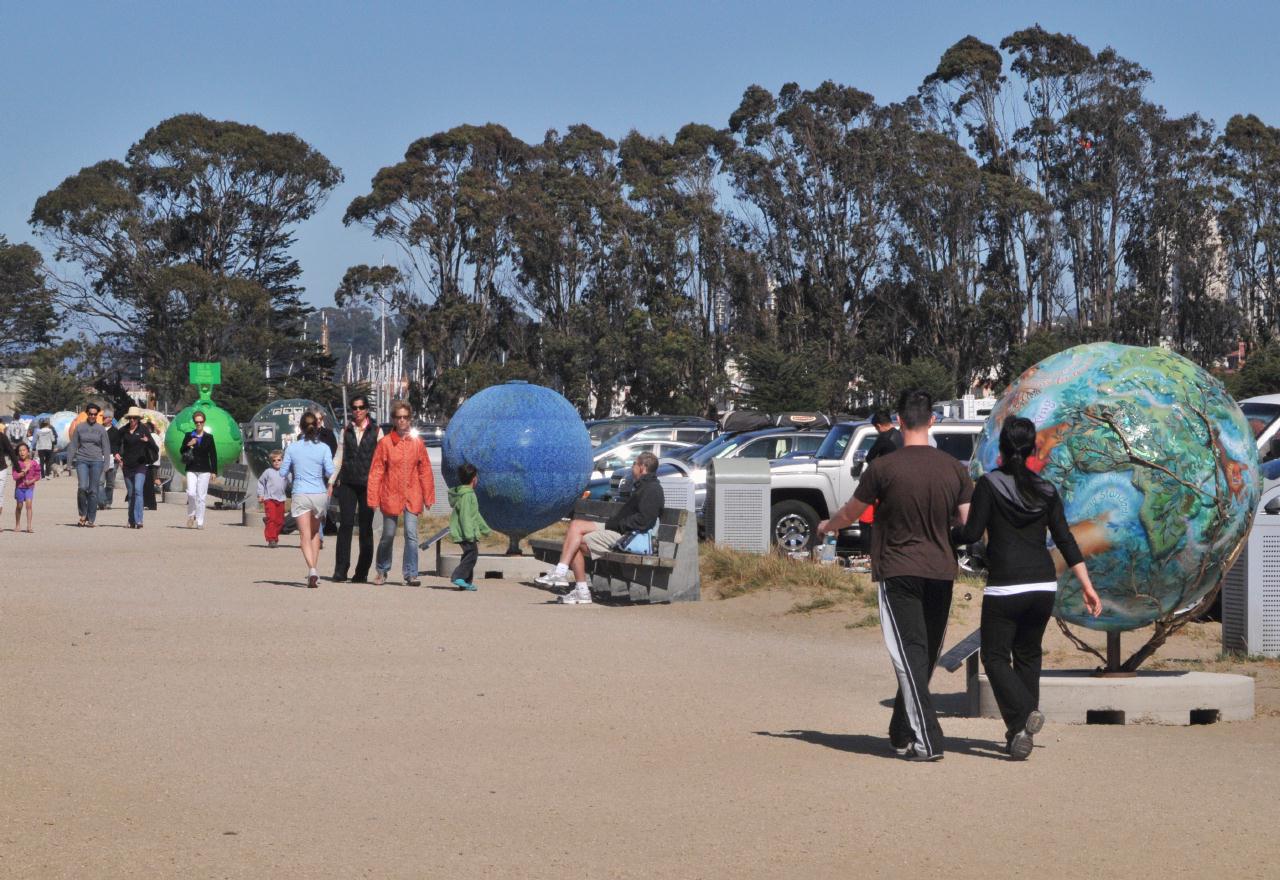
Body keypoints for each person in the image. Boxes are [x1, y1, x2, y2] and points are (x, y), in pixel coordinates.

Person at [818, 389, 973, 762]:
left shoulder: (883, 468)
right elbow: (967, 523)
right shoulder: (955, 468)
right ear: (932, 421)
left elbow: (850, 514)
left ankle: (928, 740)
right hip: (940, 569)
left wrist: (825, 526)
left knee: (908, 655)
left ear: (900, 421)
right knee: (922, 655)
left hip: (898, 567)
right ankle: (902, 729)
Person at [950, 417, 1103, 760]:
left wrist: (948, 534)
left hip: (1006, 587)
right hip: (1043, 587)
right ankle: (1019, 735)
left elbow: (972, 533)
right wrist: (1087, 587)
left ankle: (1022, 713)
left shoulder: (990, 485)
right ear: (1034, 450)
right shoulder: (1046, 490)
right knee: (1028, 657)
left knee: (993, 656)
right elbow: (1065, 539)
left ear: (1001, 449)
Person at [536, 451, 665, 606]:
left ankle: (570, 581)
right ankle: (569, 579)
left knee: (576, 537)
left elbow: (644, 521)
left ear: (643, 467)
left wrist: (618, 524)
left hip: (628, 537)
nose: (632, 468)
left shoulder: (652, 489)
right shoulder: (642, 486)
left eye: (634, 464)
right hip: (619, 529)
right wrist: (616, 523)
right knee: (575, 530)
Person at [366, 400, 435, 587]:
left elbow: (425, 470)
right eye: (399, 417)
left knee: (411, 534)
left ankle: (411, 573)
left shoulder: (417, 443)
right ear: (394, 420)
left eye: (406, 417)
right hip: (391, 493)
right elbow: (376, 471)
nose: (403, 421)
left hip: (412, 494)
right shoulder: (385, 443)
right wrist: (373, 498)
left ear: (410, 418)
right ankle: (382, 570)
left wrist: (428, 495)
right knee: (388, 534)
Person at [330, 395, 384, 583]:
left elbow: (382, 461)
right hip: (347, 483)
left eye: (361, 407)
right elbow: (339, 456)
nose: (358, 411)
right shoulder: (345, 430)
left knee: (365, 528)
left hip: (368, 484)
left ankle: (361, 572)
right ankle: (340, 569)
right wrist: (331, 481)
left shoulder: (377, 431)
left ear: (367, 409)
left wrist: (381, 486)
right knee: (344, 525)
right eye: (354, 407)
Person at [279, 411, 335, 588]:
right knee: (315, 532)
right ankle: (315, 568)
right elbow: (330, 470)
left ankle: (312, 569)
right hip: (319, 492)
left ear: (301, 428)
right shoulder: (324, 448)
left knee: (304, 534)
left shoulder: (293, 448)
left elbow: (282, 472)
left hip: (301, 492)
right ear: (317, 427)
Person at [448, 462, 491, 591]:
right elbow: (466, 516)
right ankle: (458, 576)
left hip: (464, 531)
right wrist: (469, 534)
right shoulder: (467, 495)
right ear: (474, 479)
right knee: (472, 554)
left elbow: (475, 515)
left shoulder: (467, 494)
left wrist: (485, 529)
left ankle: (466, 582)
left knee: (468, 554)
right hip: (465, 532)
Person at [67, 402, 110, 527]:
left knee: (93, 490)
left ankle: (91, 518)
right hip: (82, 460)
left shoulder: (101, 429)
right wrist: (69, 462)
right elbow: (73, 444)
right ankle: (82, 514)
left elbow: (106, 447)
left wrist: (106, 464)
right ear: (87, 414)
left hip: (97, 461)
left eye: (95, 414)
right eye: (90, 414)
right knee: (82, 487)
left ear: (97, 415)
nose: (92, 416)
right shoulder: (80, 427)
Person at [118, 407, 159, 529]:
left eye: (134, 418)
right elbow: (114, 442)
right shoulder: (123, 430)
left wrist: (147, 441)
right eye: (130, 418)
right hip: (127, 465)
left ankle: (139, 520)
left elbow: (155, 448)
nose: (132, 420)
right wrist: (117, 455)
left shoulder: (144, 430)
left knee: (138, 490)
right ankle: (131, 520)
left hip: (141, 464)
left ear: (138, 419)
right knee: (131, 494)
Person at [182, 410, 219, 529]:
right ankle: (191, 515)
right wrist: (188, 444)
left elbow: (213, 454)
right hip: (191, 468)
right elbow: (181, 450)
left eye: (201, 422)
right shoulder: (189, 435)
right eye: (196, 422)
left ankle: (200, 521)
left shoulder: (209, 437)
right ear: (194, 422)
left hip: (205, 469)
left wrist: (214, 471)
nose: (198, 424)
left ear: (204, 422)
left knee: (201, 497)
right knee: (191, 493)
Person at [257, 449, 289, 548]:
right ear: (271, 462)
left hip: (281, 499)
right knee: (272, 519)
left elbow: (293, 481)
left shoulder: (286, 472)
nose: (276, 462)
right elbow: (261, 482)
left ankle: (273, 534)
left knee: (280, 521)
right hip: (269, 498)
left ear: (283, 461)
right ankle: (271, 539)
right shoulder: (268, 472)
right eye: (274, 461)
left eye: (279, 460)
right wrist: (260, 494)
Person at [12, 442, 41, 532]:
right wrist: (24, 471)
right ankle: (17, 524)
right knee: (19, 506)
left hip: (29, 488)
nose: (22, 452)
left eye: (24, 450)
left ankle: (29, 526)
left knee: (29, 505)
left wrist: (31, 481)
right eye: (20, 451)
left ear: (28, 452)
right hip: (19, 488)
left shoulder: (34, 463)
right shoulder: (17, 463)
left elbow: (38, 475)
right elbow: (15, 476)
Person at [100, 411, 120, 509]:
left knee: (110, 483)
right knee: (100, 482)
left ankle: (108, 502)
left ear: (110, 419)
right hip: (100, 458)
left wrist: (118, 455)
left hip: (112, 459)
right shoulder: (98, 429)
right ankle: (101, 501)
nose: (103, 419)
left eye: (105, 417)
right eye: (103, 417)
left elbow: (118, 445)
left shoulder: (116, 431)